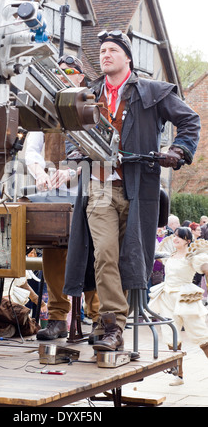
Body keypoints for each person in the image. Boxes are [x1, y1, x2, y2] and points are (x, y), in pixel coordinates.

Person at [63, 29, 201, 353]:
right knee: (105, 252)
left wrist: (178, 150)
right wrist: (75, 154)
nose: (105, 55)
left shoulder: (152, 91)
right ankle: (111, 325)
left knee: (131, 257)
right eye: (102, 51)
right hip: (98, 185)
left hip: (140, 186)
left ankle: (109, 320)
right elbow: (72, 134)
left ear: (127, 57)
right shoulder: (89, 94)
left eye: (112, 50)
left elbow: (190, 121)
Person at [25, 54, 99, 340]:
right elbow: (31, 150)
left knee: (93, 255)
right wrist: (38, 172)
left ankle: (98, 317)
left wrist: (73, 171)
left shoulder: (91, 109)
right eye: (60, 71)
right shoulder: (45, 110)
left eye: (70, 71)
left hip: (88, 194)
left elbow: (101, 154)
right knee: (53, 252)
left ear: (81, 77)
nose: (64, 75)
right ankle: (57, 318)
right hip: (54, 198)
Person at [149, 227, 208, 385]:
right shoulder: (169, 255)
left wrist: (205, 269)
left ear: (188, 240)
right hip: (167, 297)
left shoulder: (192, 257)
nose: (175, 239)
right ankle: (179, 375)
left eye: (179, 237)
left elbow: (203, 267)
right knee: (171, 336)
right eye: (174, 236)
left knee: (201, 336)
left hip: (186, 298)